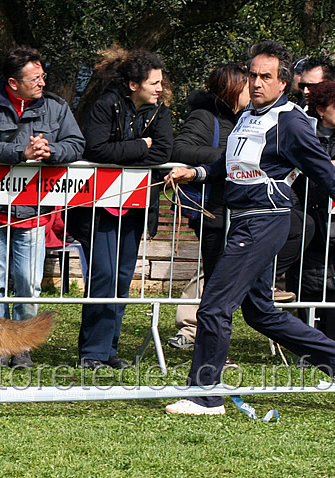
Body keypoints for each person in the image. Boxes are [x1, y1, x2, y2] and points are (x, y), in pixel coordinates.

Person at [165, 41, 335, 416]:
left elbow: (325, 172)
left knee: (214, 306)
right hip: (241, 220)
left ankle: (204, 396)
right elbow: (228, 166)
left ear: (283, 83)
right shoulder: (247, 115)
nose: (256, 83)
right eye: (252, 75)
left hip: (265, 221)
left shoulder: (290, 122)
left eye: (265, 77)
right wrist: (196, 172)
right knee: (260, 314)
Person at [0, 46, 85, 368]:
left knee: (28, 284)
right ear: (13, 83)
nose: (42, 83)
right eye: (35, 78)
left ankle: (22, 347)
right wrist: (24, 152)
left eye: (43, 76)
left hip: (35, 212)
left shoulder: (57, 107)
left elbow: (76, 143)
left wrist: (51, 151)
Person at [70, 48, 172, 369]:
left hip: (136, 207)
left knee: (123, 277)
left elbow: (164, 153)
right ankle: (92, 352)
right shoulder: (105, 105)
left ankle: (109, 349)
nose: (159, 88)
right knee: (103, 275)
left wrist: (125, 154)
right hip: (99, 208)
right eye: (153, 83)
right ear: (132, 84)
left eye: (160, 82)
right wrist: (142, 145)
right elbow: (97, 149)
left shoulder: (161, 112)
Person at [167, 64, 250, 349]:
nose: (254, 89)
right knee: (216, 282)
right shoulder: (205, 117)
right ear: (233, 88)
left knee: (224, 281)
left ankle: (210, 342)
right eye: (249, 83)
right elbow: (180, 149)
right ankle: (211, 347)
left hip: (240, 211)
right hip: (213, 213)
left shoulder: (250, 118)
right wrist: (231, 157)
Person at [287, 80, 335, 340]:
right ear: (320, 109)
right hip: (308, 218)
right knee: (309, 281)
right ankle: (310, 343)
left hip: (332, 222)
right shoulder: (302, 134)